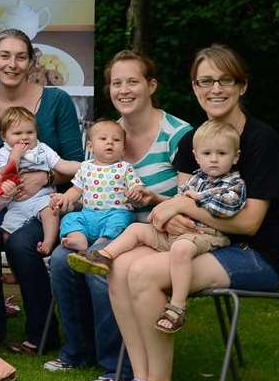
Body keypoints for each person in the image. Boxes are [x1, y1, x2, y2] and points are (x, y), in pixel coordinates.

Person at [102, 45, 279, 381]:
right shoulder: (193, 141)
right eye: (205, 81)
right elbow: (185, 204)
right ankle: (140, 380)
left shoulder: (260, 140)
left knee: (143, 272)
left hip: (256, 254)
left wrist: (183, 207)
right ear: (195, 87)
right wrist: (172, 213)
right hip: (200, 243)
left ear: (242, 86)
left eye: (224, 80)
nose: (214, 89)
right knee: (120, 265)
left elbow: (249, 223)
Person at [46, 49, 191, 381]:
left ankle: (118, 365)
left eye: (132, 82)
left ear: (151, 85)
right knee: (61, 260)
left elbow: (189, 201)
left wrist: (155, 201)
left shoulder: (178, 133)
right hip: (109, 229)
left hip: (158, 235)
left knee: (102, 273)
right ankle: (77, 351)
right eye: (116, 83)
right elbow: (87, 179)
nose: (123, 90)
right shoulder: (107, 132)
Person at [72, 119, 246, 336]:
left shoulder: (233, 183)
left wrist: (195, 200)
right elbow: (178, 201)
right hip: (179, 232)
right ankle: (103, 255)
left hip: (206, 235)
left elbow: (228, 208)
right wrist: (164, 201)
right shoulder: (196, 179)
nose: (213, 160)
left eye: (221, 154)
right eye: (207, 153)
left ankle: (177, 307)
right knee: (136, 229)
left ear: (235, 157)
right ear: (196, 155)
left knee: (181, 250)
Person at [0, 28, 82, 354]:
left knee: (21, 243)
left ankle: (42, 331)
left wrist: (45, 176)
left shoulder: (56, 101)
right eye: (5, 56)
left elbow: (74, 162)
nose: (12, 64)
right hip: (3, 197)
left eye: (21, 56)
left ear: (31, 61)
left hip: (49, 198)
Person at [0, 106, 81, 257]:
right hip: (17, 204)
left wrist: (87, 166)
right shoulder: (4, 152)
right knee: (7, 235)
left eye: (30, 132)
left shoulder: (43, 149)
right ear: (4, 136)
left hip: (43, 198)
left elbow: (62, 165)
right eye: (17, 133)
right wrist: (15, 156)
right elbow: (5, 175)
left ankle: (48, 243)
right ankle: (14, 268)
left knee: (50, 211)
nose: (24, 137)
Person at [51, 120, 143, 253]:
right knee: (70, 218)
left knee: (122, 220)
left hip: (115, 213)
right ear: (90, 146)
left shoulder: (124, 168)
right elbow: (76, 189)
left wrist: (136, 192)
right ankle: (79, 238)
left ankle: (103, 241)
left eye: (116, 140)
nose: (110, 142)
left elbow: (136, 186)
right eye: (103, 138)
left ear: (123, 150)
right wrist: (65, 198)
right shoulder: (85, 167)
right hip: (88, 214)